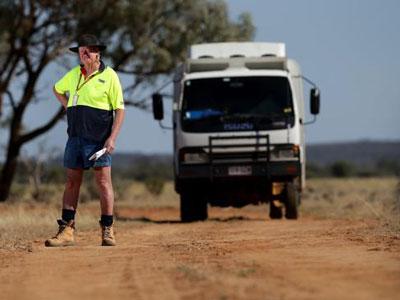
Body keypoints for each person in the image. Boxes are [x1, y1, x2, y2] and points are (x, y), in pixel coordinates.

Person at [45, 34, 125, 247]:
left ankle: (107, 229)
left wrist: (112, 138)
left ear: (98, 53)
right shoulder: (73, 74)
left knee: (103, 182)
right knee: (71, 182)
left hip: (99, 141)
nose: (84, 53)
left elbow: (119, 109)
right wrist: (68, 105)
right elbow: (56, 89)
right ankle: (67, 231)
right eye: (81, 51)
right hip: (75, 139)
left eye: (89, 50)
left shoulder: (110, 76)